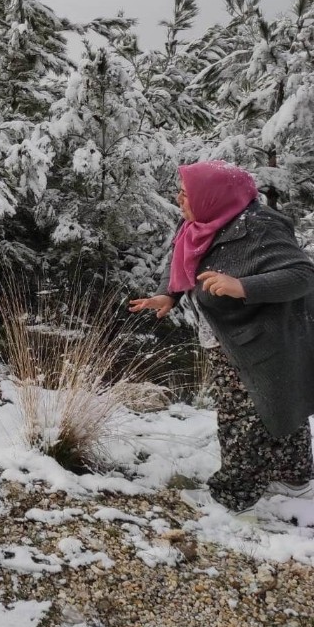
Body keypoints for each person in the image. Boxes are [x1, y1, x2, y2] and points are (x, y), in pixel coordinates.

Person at [130, 160, 314, 515]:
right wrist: (169, 295)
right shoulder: (203, 224)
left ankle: (233, 498)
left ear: (214, 197)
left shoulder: (258, 227)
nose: (179, 199)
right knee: (276, 402)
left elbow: (302, 275)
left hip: (262, 338)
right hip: (230, 334)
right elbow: (187, 265)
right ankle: (294, 478)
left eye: (185, 194)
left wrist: (243, 286)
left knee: (241, 416)